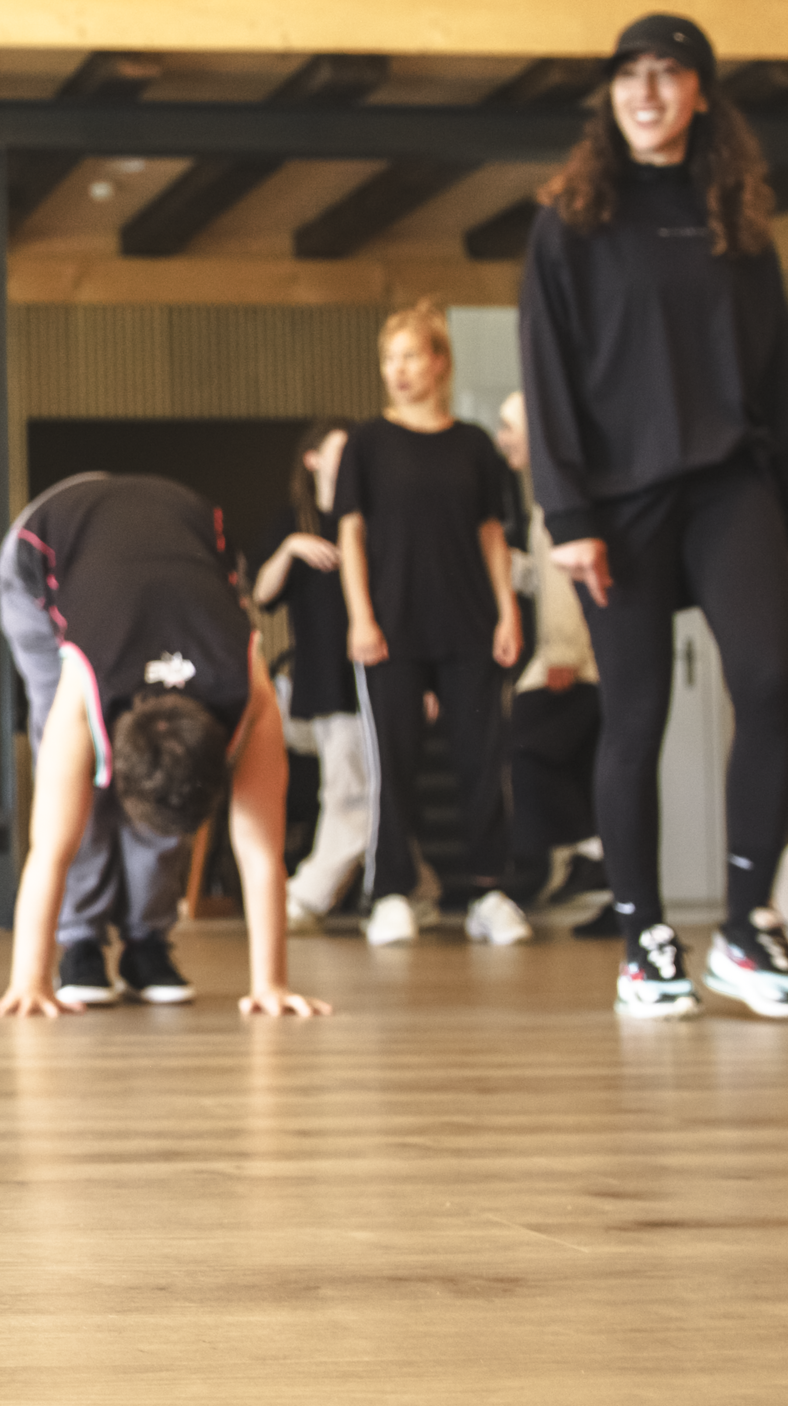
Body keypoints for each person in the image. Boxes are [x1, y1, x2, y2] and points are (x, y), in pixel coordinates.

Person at [520, 13, 788, 1019]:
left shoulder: (740, 221)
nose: (646, 91)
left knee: (772, 679)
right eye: (630, 75)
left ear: (700, 94)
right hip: (618, 502)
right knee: (635, 714)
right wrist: (567, 511)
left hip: (731, 484)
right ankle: (644, 941)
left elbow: (774, 379)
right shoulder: (570, 222)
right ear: (611, 95)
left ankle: (745, 925)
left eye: (668, 74)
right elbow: (548, 379)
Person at [0, 474, 328, 1020]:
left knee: (171, 785)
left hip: (189, 529)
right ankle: (81, 944)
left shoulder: (249, 689)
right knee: (69, 776)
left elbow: (262, 851)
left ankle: (146, 943)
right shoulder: (84, 685)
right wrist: (29, 980)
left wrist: (272, 984)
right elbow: (49, 846)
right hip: (48, 545)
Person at [335, 301, 531, 948]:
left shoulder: (474, 444)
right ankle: (392, 891)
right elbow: (351, 533)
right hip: (390, 626)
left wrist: (507, 610)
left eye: (411, 356)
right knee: (394, 761)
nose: (399, 370)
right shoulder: (367, 443)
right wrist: (361, 616)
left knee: (482, 759)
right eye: (389, 359)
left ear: (440, 361)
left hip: (470, 622)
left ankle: (488, 892)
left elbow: (491, 533)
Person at [495, 392, 616, 933]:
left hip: (572, 662)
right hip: (582, 660)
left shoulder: (557, 501)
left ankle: (588, 853)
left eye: (509, 428)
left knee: (524, 744)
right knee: (590, 767)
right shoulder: (545, 500)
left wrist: (565, 651)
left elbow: (569, 584)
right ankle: (604, 874)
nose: (502, 440)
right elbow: (546, 578)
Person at [252, 419, 363, 929]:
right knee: (351, 785)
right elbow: (263, 595)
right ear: (312, 458)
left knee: (356, 785)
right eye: (338, 450)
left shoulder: (364, 518)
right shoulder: (294, 520)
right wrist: (292, 547)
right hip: (321, 675)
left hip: (366, 672)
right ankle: (408, 885)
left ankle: (313, 893)